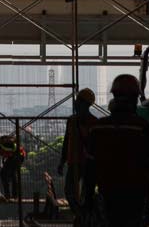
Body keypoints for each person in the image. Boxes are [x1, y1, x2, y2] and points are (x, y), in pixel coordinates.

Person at [86, 74, 149, 227]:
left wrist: (88, 197)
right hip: (135, 193)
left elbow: (89, 164)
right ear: (134, 98)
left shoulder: (98, 127)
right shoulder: (141, 126)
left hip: (107, 192)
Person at [58, 88, 98, 226]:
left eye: (78, 101)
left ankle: (84, 217)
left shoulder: (93, 123)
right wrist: (62, 161)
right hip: (74, 162)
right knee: (69, 191)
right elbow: (66, 141)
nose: (75, 103)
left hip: (87, 164)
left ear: (85, 104)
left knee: (86, 194)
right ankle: (81, 215)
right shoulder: (72, 121)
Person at [0, 130, 26, 200]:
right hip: (11, 157)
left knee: (6, 173)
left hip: (19, 155)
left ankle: (12, 196)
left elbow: (15, 145)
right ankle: (11, 196)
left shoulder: (3, 141)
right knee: (8, 173)